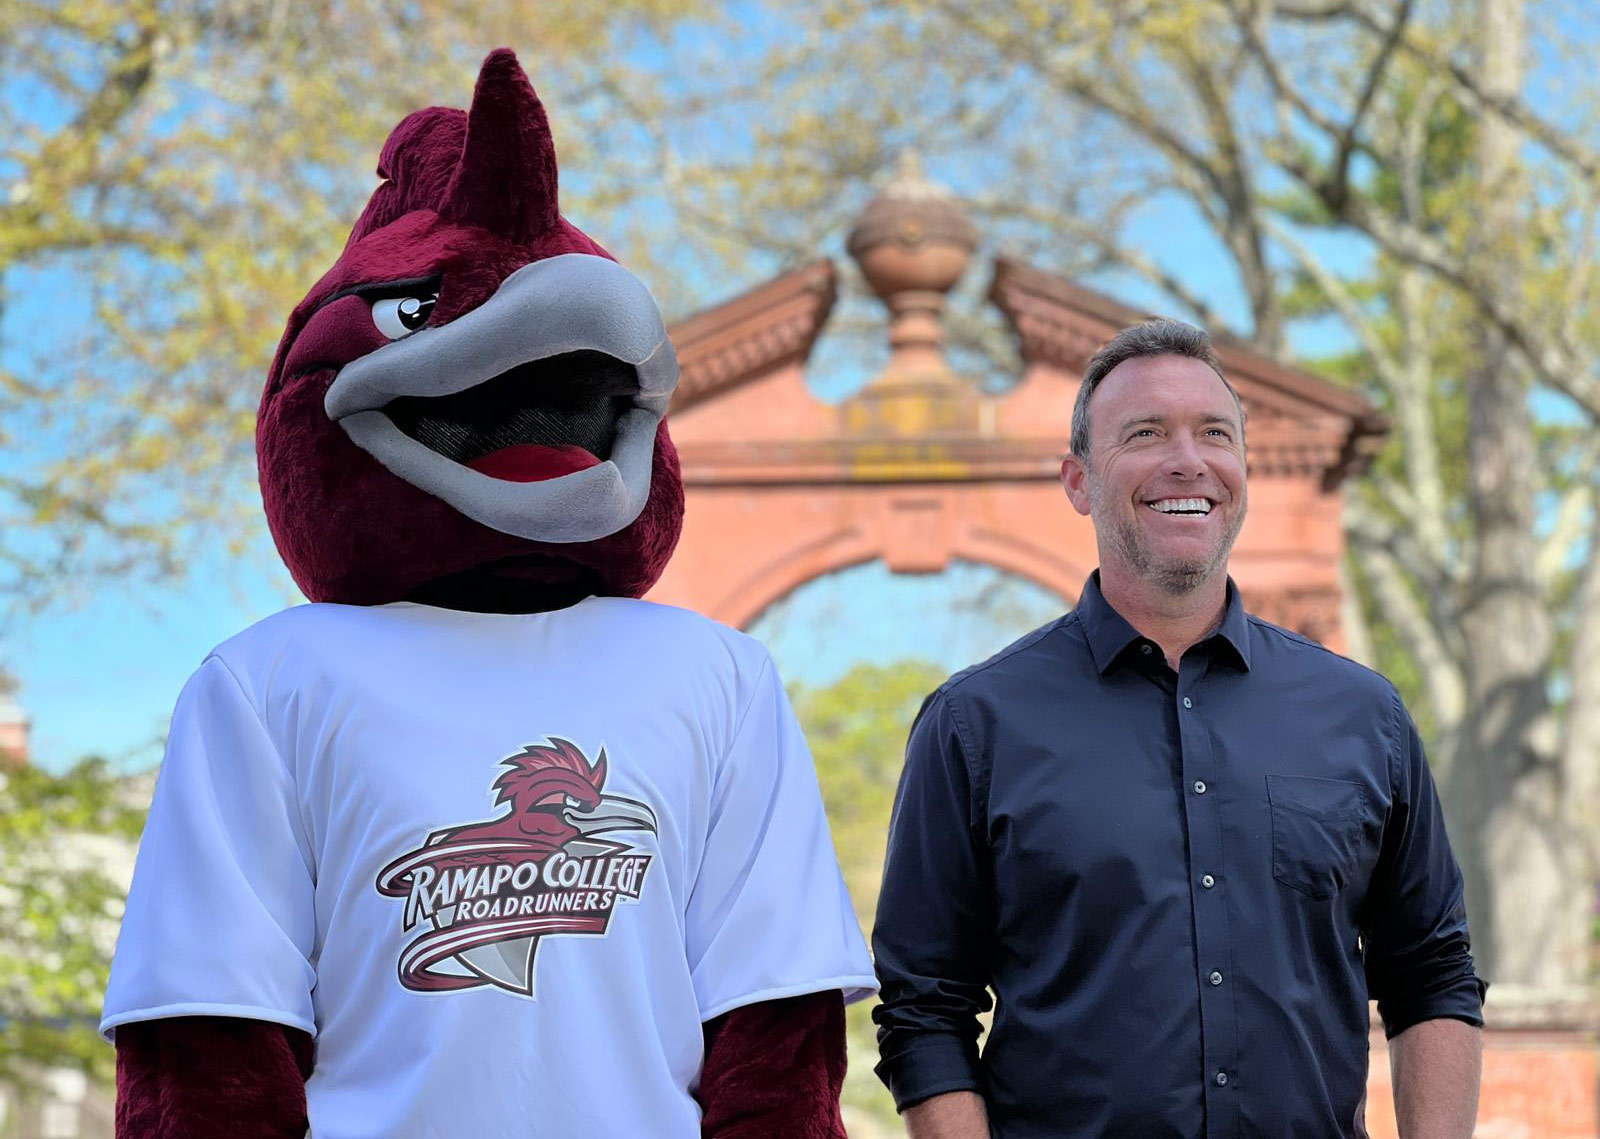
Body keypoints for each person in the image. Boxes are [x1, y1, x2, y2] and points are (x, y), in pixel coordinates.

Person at [872, 318, 1485, 1138]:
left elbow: (1434, 973)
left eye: (1214, 434)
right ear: (1079, 481)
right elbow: (924, 1009)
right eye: (1146, 433)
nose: (1187, 459)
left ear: (1244, 470)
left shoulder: (1365, 715)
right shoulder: (974, 725)